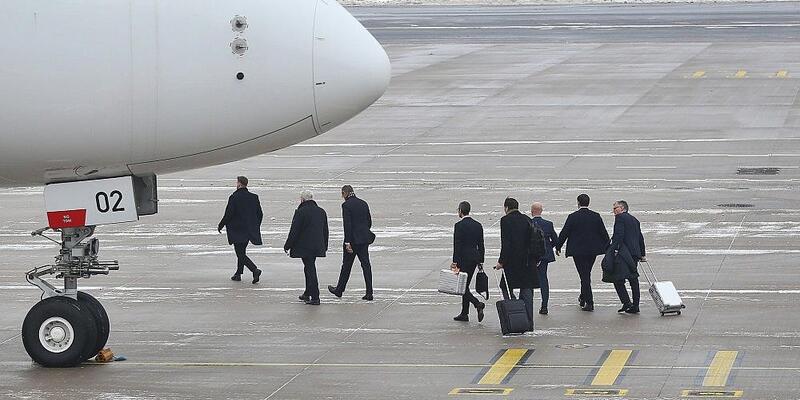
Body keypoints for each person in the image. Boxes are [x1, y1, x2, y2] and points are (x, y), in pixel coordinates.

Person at [556, 194, 610, 312]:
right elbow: (603, 232)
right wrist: (608, 247)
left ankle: (589, 302)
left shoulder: (573, 217)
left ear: (578, 203)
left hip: (578, 251)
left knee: (584, 276)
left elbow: (565, 232)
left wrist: (558, 246)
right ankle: (583, 297)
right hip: (592, 251)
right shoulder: (595, 216)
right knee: (586, 274)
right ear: (588, 203)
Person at [495, 197, 537, 331]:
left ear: (506, 208)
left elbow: (506, 243)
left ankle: (513, 316)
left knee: (505, 288)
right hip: (528, 263)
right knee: (527, 291)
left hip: (512, 263)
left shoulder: (505, 220)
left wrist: (501, 262)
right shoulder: (527, 219)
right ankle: (529, 323)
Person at [328, 185, 376, 301]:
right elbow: (369, 222)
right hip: (363, 240)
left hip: (353, 241)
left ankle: (339, 290)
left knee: (346, 266)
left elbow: (347, 225)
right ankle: (369, 292)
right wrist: (363, 232)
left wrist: (347, 242)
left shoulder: (346, 205)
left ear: (345, 193)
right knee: (366, 265)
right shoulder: (363, 203)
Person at [284, 190, 329, 305]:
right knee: (309, 267)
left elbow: (294, 231)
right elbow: (325, 230)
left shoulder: (301, 212)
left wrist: (288, 245)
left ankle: (315, 296)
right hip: (317, 245)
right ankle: (307, 293)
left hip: (305, 246)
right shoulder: (321, 211)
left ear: (302, 200)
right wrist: (325, 245)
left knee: (310, 269)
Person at [218, 176, 263, 284]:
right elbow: (260, 214)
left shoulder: (234, 197)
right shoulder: (254, 197)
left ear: (239, 184)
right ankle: (238, 273)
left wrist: (221, 224)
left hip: (237, 230)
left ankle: (255, 270)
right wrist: (255, 226)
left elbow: (228, 214)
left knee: (240, 254)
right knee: (242, 251)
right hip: (249, 230)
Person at [450, 201, 486, 322]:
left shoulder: (458, 226)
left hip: (462, 259)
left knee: (462, 286)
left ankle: (477, 304)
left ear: (460, 211)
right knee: (465, 285)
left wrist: (455, 262)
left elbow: (457, 245)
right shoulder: (478, 225)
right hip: (474, 259)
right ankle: (464, 313)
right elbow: (481, 244)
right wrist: (481, 260)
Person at [610, 200, 646, 314]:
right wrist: (642, 254)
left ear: (622, 208)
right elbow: (640, 238)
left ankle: (626, 302)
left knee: (617, 278)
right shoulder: (634, 220)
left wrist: (614, 250)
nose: (614, 211)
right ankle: (635, 305)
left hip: (624, 254)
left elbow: (618, 236)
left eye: (615, 208)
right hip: (635, 253)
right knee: (633, 279)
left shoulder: (620, 218)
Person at [530, 202, 558, 315]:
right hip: (544, 255)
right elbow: (556, 240)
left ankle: (529, 304)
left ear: (532, 211)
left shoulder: (528, 223)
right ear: (541, 211)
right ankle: (544, 305)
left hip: (531, 256)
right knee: (543, 279)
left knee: (529, 280)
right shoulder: (548, 224)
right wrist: (549, 247)